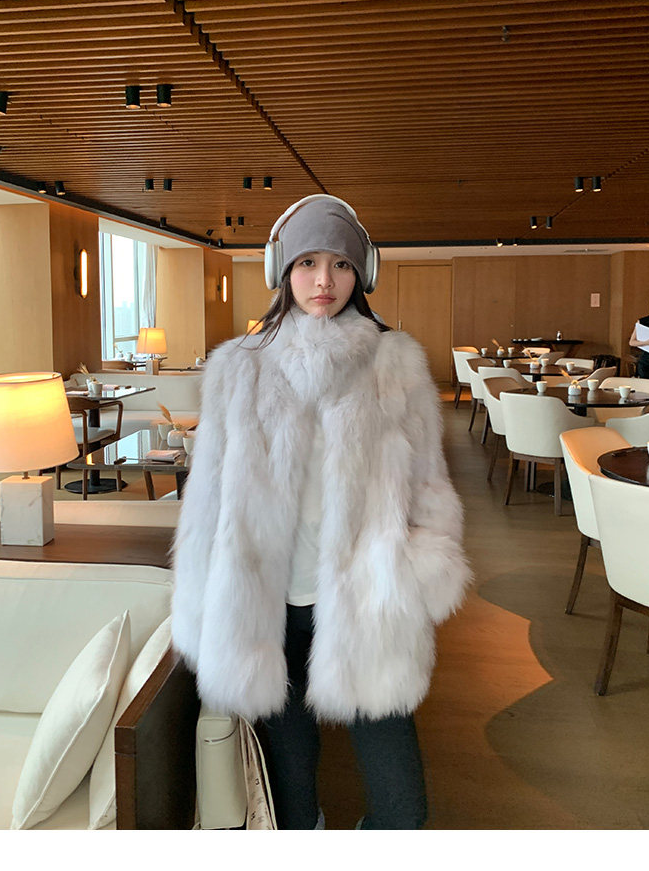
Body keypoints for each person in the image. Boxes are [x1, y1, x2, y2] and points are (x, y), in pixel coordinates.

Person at [171, 194, 470, 830]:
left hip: (369, 602)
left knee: (402, 807)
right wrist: (200, 604)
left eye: (340, 264)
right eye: (307, 262)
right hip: (267, 610)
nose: (324, 280)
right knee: (292, 800)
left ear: (364, 271)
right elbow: (207, 503)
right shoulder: (239, 369)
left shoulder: (394, 364)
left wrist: (417, 579)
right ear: (281, 269)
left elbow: (429, 488)